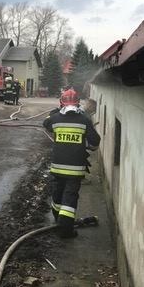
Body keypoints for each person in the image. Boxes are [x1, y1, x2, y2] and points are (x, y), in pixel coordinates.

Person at [43, 88, 100, 238]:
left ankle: (58, 220)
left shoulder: (55, 119)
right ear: (78, 103)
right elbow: (95, 143)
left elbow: (46, 122)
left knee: (58, 195)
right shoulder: (84, 120)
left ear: (61, 103)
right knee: (69, 198)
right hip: (75, 170)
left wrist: (57, 110)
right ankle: (66, 230)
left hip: (57, 168)